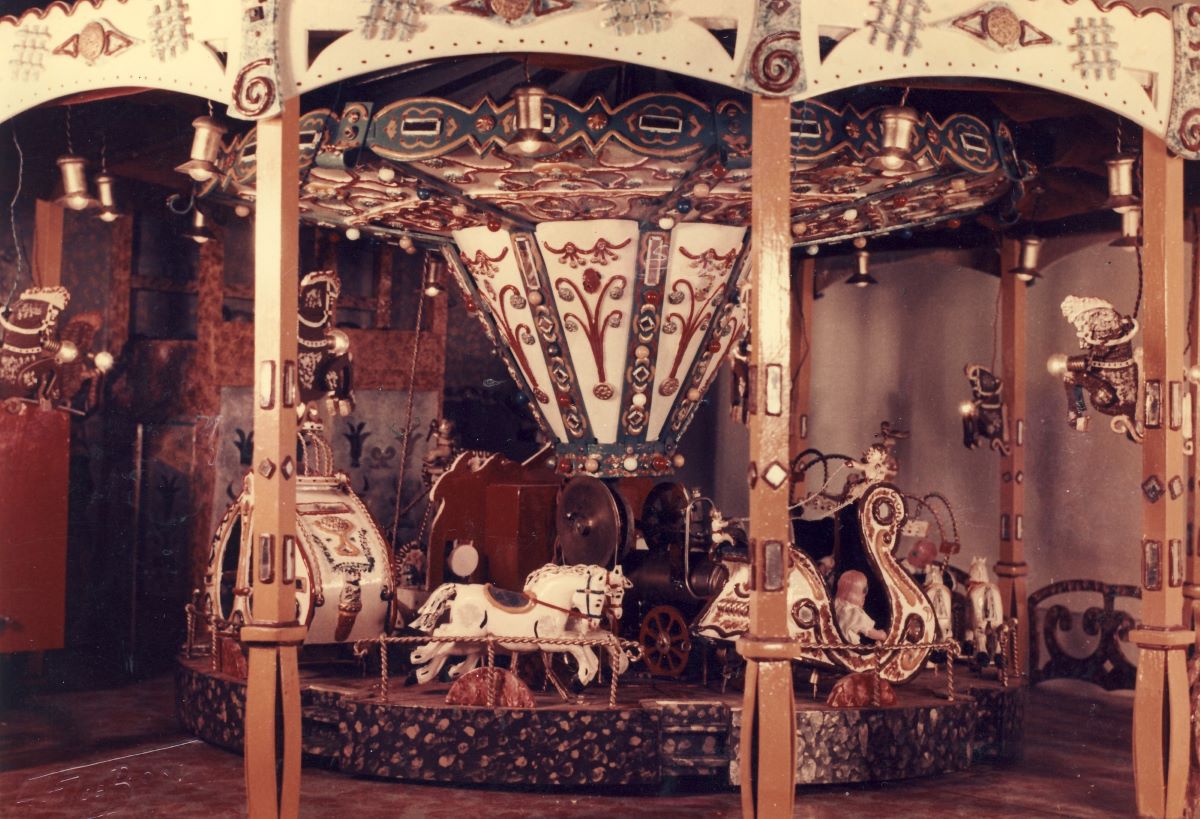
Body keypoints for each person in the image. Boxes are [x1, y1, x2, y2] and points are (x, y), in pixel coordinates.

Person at [834, 570, 887, 644]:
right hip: (850, 646)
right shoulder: (855, 613)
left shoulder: (836, 604)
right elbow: (869, 632)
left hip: (834, 642)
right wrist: (881, 635)